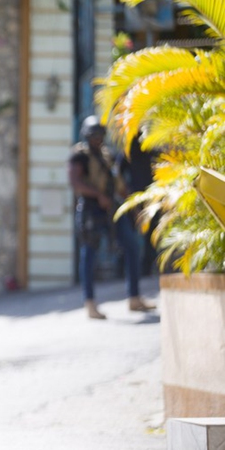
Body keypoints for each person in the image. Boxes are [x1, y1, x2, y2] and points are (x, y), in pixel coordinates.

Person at [68, 115, 155, 319]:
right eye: (94, 135)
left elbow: (117, 184)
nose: (98, 139)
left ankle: (134, 297)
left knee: (131, 246)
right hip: (91, 210)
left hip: (110, 210)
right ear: (87, 136)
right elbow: (75, 182)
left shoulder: (107, 156)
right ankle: (89, 303)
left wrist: (132, 206)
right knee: (89, 254)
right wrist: (97, 195)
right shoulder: (79, 156)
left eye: (100, 135)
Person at [115, 137, 159, 276]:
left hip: (149, 198)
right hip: (134, 200)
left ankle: (144, 269)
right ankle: (123, 269)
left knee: (149, 236)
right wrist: (125, 191)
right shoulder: (128, 152)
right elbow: (117, 174)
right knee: (129, 237)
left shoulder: (150, 151)